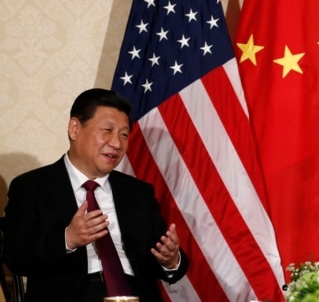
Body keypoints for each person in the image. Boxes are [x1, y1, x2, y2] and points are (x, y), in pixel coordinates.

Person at [3, 88, 189, 301]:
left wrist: (171, 260)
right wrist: (68, 239)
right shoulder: (32, 187)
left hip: (135, 294)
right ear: (75, 129)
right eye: (107, 130)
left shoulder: (138, 193)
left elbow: (164, 259)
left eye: (124, 134)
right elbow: (16, 256)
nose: (117, 144)